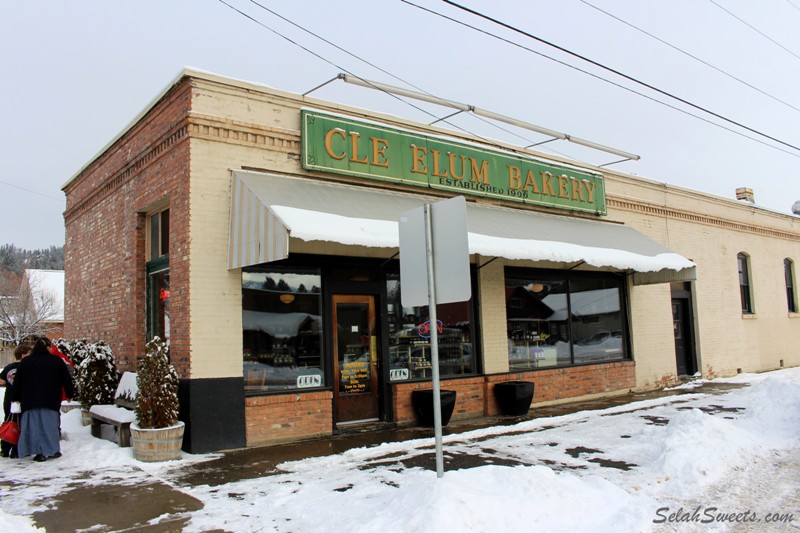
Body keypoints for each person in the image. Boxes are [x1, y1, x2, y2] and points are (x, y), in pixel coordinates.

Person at [10, 337, 74, 462]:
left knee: (32, 426)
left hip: (29, 400)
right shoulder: (56, 361)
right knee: (49, 426)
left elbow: (17, 381)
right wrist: (69, 393)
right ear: (47, 347)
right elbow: (66, 378)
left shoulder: (26, 361)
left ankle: (35, 450)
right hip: (50, 400)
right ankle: (51, 450)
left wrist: (15, 397)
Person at [0, 344, 31, 458]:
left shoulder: (9, 367)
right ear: (23, 355)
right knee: (20, 424)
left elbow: (1, 381)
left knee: (9, 421)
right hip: (23, 398)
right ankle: (16, 449)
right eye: (29, 354)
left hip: (9, 398)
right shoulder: (27, 367)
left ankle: (5, 448)